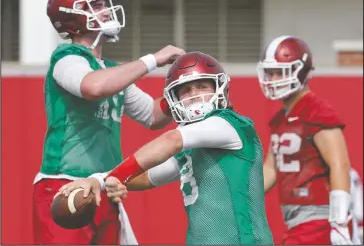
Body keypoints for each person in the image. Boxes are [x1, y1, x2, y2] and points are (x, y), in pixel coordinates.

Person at [58, 51, 274, 245]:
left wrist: (117, 175)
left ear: (220, 88)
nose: (195, 94)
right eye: (186, 90)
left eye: (202, 86)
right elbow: (147, 176)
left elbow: (171, 141)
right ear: (173, 99)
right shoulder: (191, 149)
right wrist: (100, 180)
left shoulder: (230, 124)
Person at [33, 0, 185, 245]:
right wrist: (152, 60)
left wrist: (184, 92)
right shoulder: (66, 57)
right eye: (98, 4)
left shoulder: (111, 71)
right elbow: (93, 86)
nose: (106, 10)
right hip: (66, 183)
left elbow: (152, 115)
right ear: (75, 14)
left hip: (103, 186)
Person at [257, 35, 354, 245]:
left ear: (300, 71)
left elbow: (339, 164)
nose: (273, 80)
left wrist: (339, 221)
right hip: (296, 219)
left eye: (279, 72)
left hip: (319, 216)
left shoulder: (316, 110)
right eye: (270, 73)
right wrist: (243, 194)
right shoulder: (279, 119)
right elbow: (272, 168)